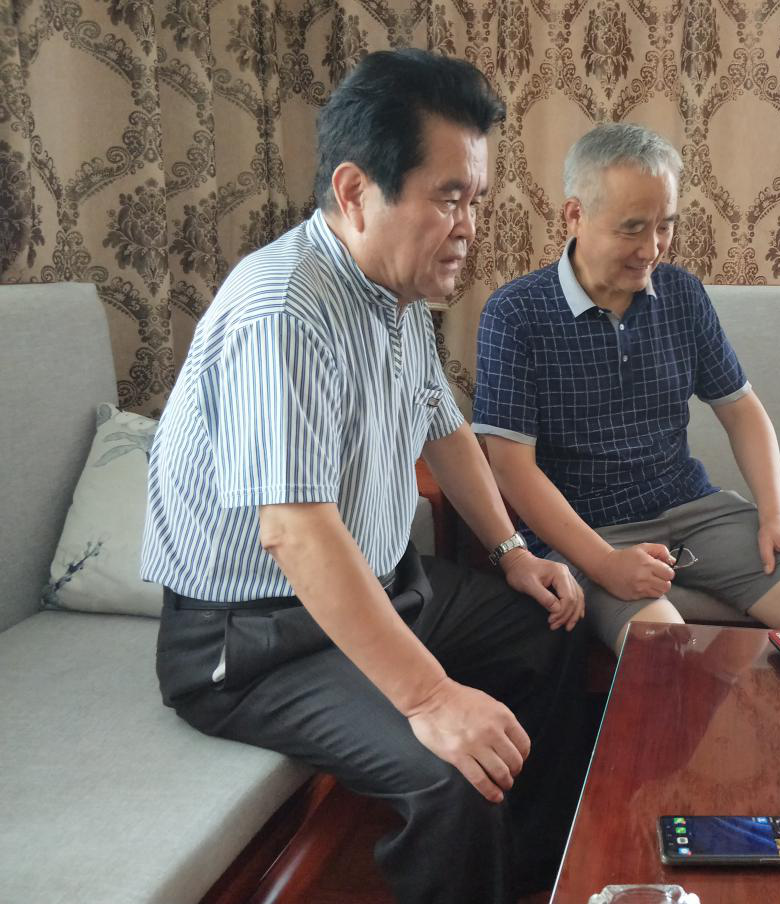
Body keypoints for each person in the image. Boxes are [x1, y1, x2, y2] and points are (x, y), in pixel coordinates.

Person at [140, 49, 589, 904]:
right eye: (448, 198)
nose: (469, 226)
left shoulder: (395, 292)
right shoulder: (284, 310)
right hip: (255, 643)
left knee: (552, 624)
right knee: (452, 776)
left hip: (382, 587)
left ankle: (533, 871)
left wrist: (511, 553)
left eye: (476, 199)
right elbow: (293, 530)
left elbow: (445, 428)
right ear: (355, 192)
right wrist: (430, 698)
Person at [472, 122, 780, 654]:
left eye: (665, 225)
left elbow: (742, 410)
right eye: (631, 229)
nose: (651, 249)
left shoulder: (682, 294)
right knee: (665, 650)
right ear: (575, 215)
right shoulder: (514, 313)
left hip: (689, 506)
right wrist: (604, 563)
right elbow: (512, 469)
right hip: (591, 528)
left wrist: (776, 517)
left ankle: (743, 702)